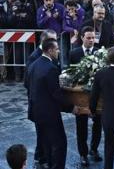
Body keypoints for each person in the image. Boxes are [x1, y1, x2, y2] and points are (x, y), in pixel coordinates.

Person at [26, 38, 77, 169]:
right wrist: (71, 107)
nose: (58, 51)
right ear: (50, 50)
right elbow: (56, 93)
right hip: (49, 113)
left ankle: (49, 164)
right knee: (59, 143)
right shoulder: (51, 68)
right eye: (57, 49)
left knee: (46, 142)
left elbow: (27, 84)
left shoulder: (33, 64)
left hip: (36, 111)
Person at [70, 27, 103, 166]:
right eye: (88, 38)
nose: (91, 40)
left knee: (98, 124)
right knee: (81, 126)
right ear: (82, 38)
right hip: (80, 95)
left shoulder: (100, 53)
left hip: (97, 96)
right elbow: (70, 73)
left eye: (93, 38)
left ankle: (94, 149)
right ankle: (83, 154)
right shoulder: (74, 53)